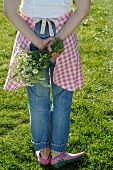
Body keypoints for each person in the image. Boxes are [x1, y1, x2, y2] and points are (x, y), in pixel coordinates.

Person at [3, 0, 91, 168]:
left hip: (29, 32)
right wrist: (57, 40)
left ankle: (43, 152)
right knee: (62, 97)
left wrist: (38, 41)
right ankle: (58, 153)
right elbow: (83, 8)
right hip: (64, 31)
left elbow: (9, 11)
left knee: (37, 99)